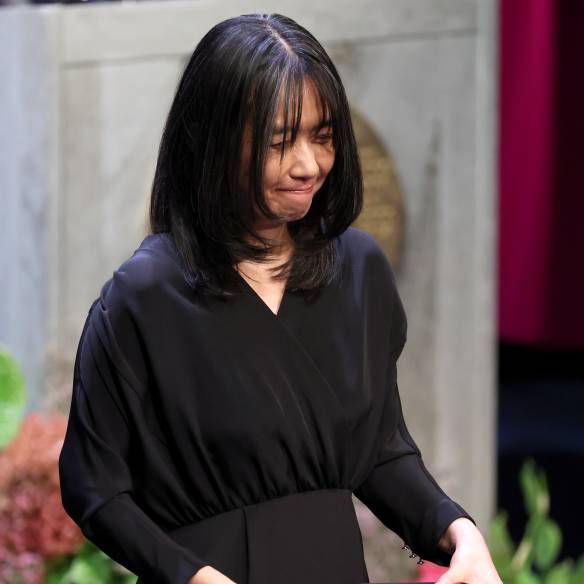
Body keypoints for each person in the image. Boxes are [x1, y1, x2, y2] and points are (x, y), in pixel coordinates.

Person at [58, 12, 502, 584]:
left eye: (323, 136)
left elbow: (379, 450)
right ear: (213, 142)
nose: (309, 164)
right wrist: (190, 576)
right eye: (280, 141)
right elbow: (95, 487)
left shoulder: (359, 269)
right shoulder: (143, 297)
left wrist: (458, 532)